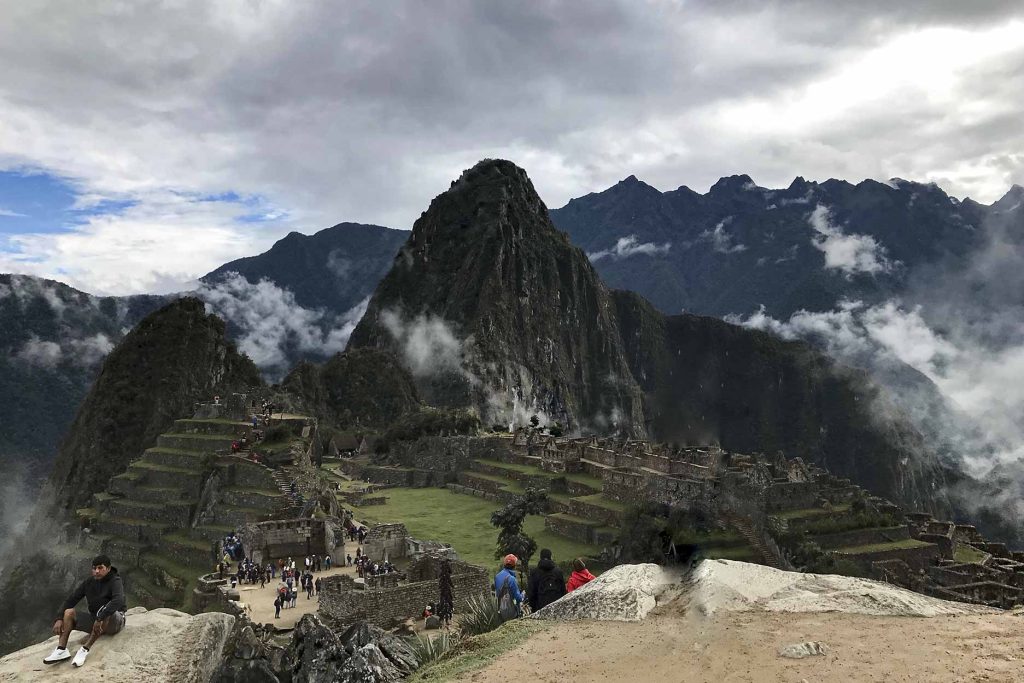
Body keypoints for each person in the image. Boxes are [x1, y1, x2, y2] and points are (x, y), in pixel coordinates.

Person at [43, 554, 126, 668]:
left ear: (108, 568)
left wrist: (100, 617)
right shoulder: (89, 582)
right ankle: (61, 650)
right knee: (69, 612)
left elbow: (118, 600)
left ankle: (84, 650)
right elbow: (71, 600)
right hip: (96, 620)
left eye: (100, 568)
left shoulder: (115, 581)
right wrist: (59, 618)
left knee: (107, 610)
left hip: (114, 621)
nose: (96, 571)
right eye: (94, 568)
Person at [493, 554, 523, 622]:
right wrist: (523, 595)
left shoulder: (497, 576)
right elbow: (518, 598)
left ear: (504, 564)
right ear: (514, 566)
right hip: (511, 612)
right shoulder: (511, 579)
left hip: (501, 609)